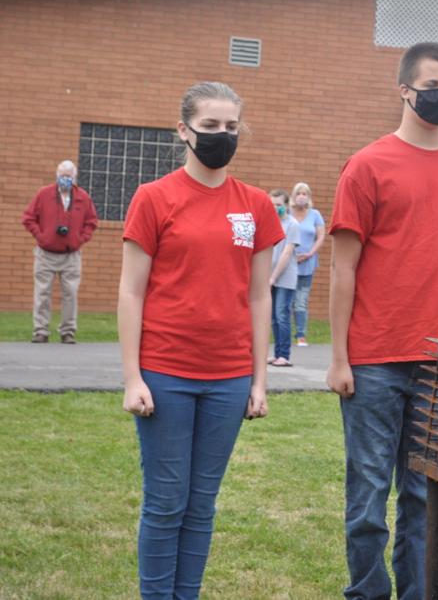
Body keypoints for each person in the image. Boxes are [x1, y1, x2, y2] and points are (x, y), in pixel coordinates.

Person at [327, 42, 438, 600]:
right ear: (404, 90)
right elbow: (343, 266)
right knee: (370, 495)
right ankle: (367, 593)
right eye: (432, 85)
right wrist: (339, 358)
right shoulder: (368, 165)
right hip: (375, 359)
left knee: (425, 496)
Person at [117, 81, 279, 600]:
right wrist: (132, 377)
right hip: (165, 374)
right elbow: (130, 292)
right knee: (166, 501)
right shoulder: (154, 197)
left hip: (228, 379)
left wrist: (259, 381)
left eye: (231, 127)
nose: (221, 136)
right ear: (183, 130)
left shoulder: (254, 205)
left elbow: (259, 298)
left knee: (201, 503)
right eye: (210, 126)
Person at [22, 159, 98, 343]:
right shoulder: (44, 194)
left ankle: (68, 331)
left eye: (69, 176)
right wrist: (41, 236)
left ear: (74, 178)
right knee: (42, 293)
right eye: (63, 176)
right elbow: (28, 218)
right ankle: (40, 330)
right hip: (45, 253)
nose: (65, 179)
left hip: (71, 255)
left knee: (70, 294)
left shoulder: (83, 197)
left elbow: (91, 222)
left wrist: (80, 239)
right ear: (57, 176)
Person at [289, 181, 325, 347]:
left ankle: (301, 335)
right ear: (293, 196)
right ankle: (283, 336)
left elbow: (321, 236)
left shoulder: (315, 214)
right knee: (285, 302)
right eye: (299, 193)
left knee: (301, 301)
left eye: (305, 193)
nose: (301, 196)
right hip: (287, 264)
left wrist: (310, 253)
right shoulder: (287, 213)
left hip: (307, 265)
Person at [268, 189, 301, 367]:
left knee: (282, 315)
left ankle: (285, 355)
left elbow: (287, 253)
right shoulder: (268, 222)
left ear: (286, 206)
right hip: (270, 277)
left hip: (284, 278)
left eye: (279, 205)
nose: (275, 208)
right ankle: (277, 353)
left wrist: (273, 277)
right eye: (272, 204)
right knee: (273, 317)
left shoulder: (292, 225)